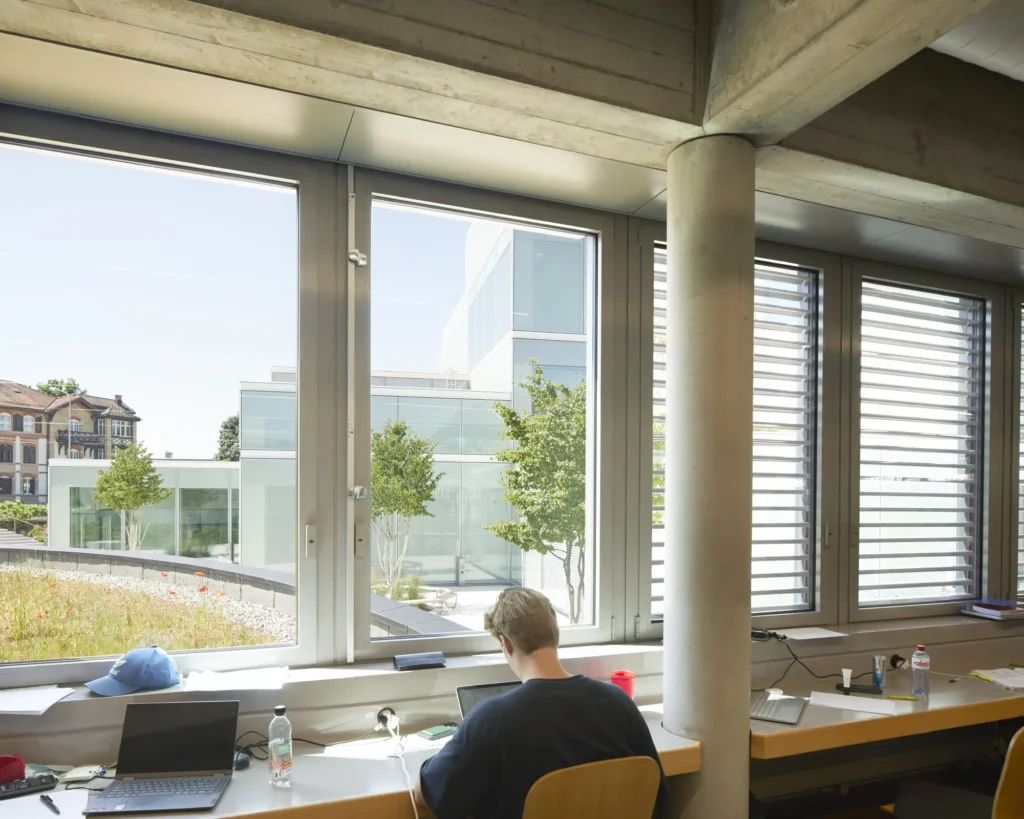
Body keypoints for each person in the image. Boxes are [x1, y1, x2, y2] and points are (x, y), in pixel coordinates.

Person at [415, 587, 670, 819]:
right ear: (555, 633)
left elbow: (425, 794)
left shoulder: (492, 719)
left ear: (505, 643)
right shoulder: (619, 704)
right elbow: (658, 795)